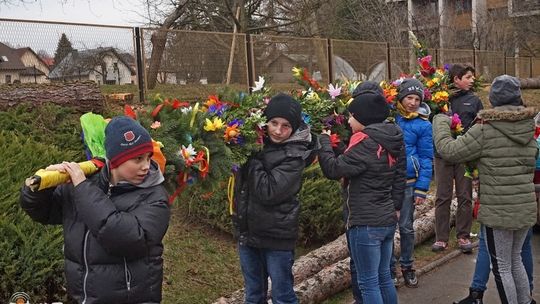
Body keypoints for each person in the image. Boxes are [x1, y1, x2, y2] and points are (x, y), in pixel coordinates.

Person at [20, 116, 171, 304]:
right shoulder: (86, 184)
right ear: (115, 160)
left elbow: (128, 238)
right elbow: (43, 211)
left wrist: (83, 189)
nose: (146, 166)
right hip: (81, 296)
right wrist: (42, 186)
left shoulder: (154, 196)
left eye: (148, 158)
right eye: (138, 159)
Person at [433, 75, 537, 304]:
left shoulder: (485, 132)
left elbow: (449, 151)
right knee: (515, 259)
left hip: (498, 211)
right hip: (525, 207)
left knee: (502, 265)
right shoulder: (530, 129)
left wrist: (441, 121)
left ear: (493, 100)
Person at [318, 90, 406, 304]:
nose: (348, 120)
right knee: (384, 277)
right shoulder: (389, 138)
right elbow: (398, 175)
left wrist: (323, 142)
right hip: (385, 219)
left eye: (351, 116)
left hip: (366, 224)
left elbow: (333, 169)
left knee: (368, 282)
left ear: (363, 118)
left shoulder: (365, 144)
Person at [231, 93, 317, 304]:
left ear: (294, 128)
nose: (278, 131)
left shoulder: (295, 156)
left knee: (282, 296)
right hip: (248, 233)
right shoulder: (256, 145)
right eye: (274, 123)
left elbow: (268, 191)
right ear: (265, 123)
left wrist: (251, 156)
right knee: (253, 295)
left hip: (277, 238)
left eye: (286, 126)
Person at [432, 64, 483, 253]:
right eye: (468, 77)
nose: (472, 80)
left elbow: (480, 125)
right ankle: (441, 238)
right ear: (456, 79)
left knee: (465, 195)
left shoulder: (475, 100)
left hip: (465, 156)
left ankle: (463, 236)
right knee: (442, 196)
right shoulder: (440, 100)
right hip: (442, 156)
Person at [391, 78, 433, 288]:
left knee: (406, 228)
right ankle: (388, 269)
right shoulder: (389, 120)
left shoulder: (423, 125)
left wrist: (421, 188)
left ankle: (407, 266)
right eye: (409, 97)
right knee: (387, 228)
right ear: (401, 98)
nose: (413, 102)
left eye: (417, 99)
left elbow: (426, 157)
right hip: (388, 182)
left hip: (409, 181)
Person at [453, 228, 534, 304]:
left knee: (502, 265)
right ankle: (526, 297)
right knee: (517, 256)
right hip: (524, 215)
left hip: (499, 217)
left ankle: (476, 293)